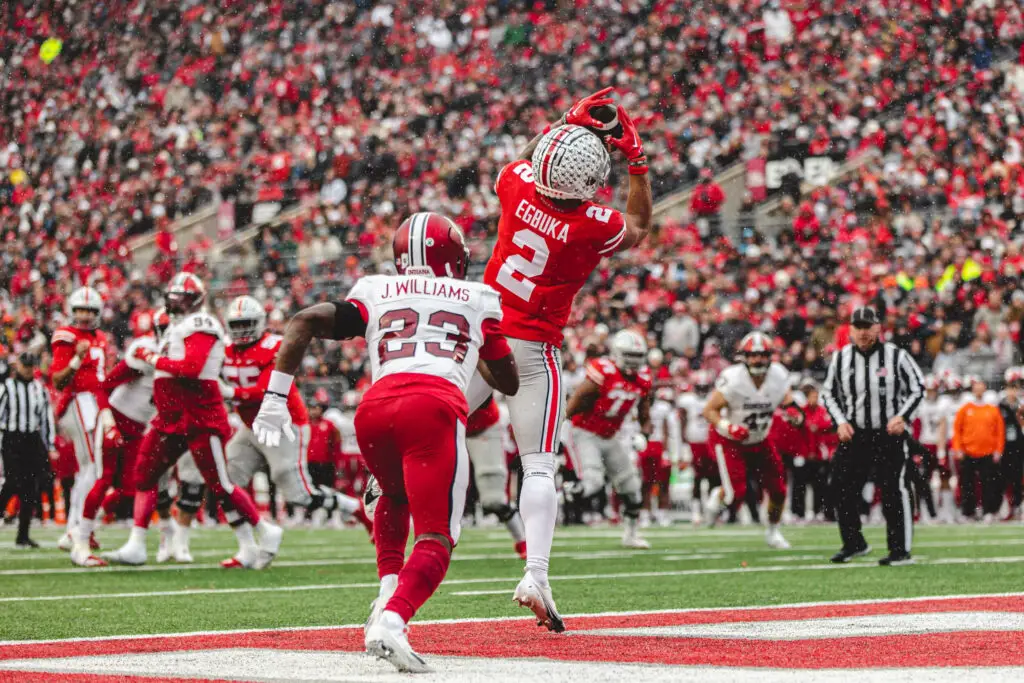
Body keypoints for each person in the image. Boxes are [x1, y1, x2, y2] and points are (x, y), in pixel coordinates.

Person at [250, 212, 519, 672]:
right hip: (432, 407)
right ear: (454, 255)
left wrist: (275, 396)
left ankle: (385, 593)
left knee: (393, 497)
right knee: (437, 535)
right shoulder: (478, 296)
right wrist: (474, 346)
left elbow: (302, 321)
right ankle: (393, 622)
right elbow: (508, 381)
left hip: (374, 409)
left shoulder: (376, 289)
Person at [465, 88, 652, 629]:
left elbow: (522, 161)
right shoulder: (592, 224)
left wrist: (563, 121)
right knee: (538, 464)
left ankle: (389, 475)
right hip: (529, 348)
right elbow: (638, 226)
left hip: (481, 331)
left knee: (440, 418)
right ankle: (537, 574)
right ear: (592, 181)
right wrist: (635, 160)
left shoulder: (517, 185)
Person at [104, 273, 280, 569]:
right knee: (145, 474)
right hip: (171, 415)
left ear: (195, 300)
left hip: (198, 413)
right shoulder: (174, 326)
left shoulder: (202, 323)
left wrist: (152, 359)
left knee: (219, 484)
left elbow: (191, 367)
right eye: (173, 296)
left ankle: (265, 530)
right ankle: (137, 543)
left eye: (182, 297)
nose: (176, 302)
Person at [209, 295, 363, 527]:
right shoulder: (224, 350)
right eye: (237, 325)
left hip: (284, 423)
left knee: (298, 495)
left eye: (246, 324)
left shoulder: (274, 345)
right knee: (226, 480)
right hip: (251, 426)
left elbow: (266, 389)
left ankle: (354, 508)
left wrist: (230, 393)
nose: (241, 330)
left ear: (259, 322)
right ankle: (250, 543)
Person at [822, 306, 925, 566]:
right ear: (850, 330)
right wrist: (840, 421)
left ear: (878, 328)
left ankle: (899, 550)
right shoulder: (841, 358)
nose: (863, 332)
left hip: (888, 434)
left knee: (892, 490)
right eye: (858, 327)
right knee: (841, 488)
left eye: (867, 326)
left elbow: (918, 387)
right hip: (855, 434)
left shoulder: (896, 356)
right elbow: (828, 393)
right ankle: (854, 542)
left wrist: (902, 416)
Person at [71, 309, 170, 567]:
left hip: (138, 428)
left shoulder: (182, 358)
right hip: (115, 419)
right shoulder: (146, 352)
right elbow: (104, 385)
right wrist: (108, 422)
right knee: (104, 479)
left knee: (130, 489)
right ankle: (80, 541)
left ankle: (86, 526)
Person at [701, 331, 794, 549]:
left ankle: (773, 531)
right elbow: (709, 411)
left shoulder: (779, 375)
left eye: (762, 355)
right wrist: (729, 426)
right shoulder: (733, 378)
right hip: (730, 441)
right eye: (752, 355)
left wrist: (794, 412)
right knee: (736, 496)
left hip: (760, 439)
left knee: (779, 491)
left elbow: (787, 401)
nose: (757, 359)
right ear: (744, 357)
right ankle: (719, 495)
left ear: (770, 356)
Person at [565, 330, 654, 549]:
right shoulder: (603, 371)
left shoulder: (643, 379)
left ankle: (631, 535)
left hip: (611, 436)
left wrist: (643, 434)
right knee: (593, 482)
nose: (634, 361)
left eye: (637, 356)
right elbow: (577, 399)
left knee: (632, 487)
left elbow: (645, 414)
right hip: (585, 432)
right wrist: (561, 424)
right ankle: (560, 494)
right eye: (629, 356)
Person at [50, 287, 111, 552]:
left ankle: (78, 527)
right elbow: (58, 380)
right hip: (79, 401)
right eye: (80, 311)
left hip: (95, 403)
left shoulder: (101, 337)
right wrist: (76, 359)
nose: (84, 316)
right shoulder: (67, 336)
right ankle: (77, 528)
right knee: (92, 468)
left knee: (90, 469)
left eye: (89, 311)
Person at [0, 353, 56, 549]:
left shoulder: (39, 390)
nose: (28, 370)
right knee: (13, 482)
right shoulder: (6, 387)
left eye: (31, 366)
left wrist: (49, 445)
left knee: (31, 488)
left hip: (32, 439)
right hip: (12, 437)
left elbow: (45, 418)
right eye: (25, 366)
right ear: (18, 367)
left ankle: (23, 535)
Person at [466, 395, 527, 558]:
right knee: (439, 495)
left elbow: (484, 395)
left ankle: (521, 539)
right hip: (444, 425)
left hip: (481, 426)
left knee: (494, 500)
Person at [951, 377, 1004, 523]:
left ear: (984, 389)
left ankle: (988, 511)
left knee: (988, 484)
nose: (979, 390)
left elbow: (999, 431)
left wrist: (998, 450)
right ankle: (968, 512)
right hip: (968, 452)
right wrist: (958, 448)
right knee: (967, 484)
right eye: (976, 387)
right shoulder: (965, 409)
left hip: (987, 452)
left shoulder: (992, 410)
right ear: (973, 389)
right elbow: (957, 430)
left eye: (981, 387)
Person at [677, 370, 716, 524]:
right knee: (698, 478)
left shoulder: (714, 398)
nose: (702, 390)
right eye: (699, 387)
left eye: (704, 387)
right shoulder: (688, 400)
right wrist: (683, 442)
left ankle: (712, 511)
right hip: (695, 441)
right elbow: (682, 420)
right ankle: (696, 512)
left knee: (714, 478)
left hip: (710, 442)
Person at [640, 386, 682, 526]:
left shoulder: (662, 407)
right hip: (644, 445)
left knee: (663, 483)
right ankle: (645, 513)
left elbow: (667, 429)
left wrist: (666, 451)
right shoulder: (638, 405)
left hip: (658, 445)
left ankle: (662, 513)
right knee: (645, 483)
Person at [305, 389, 342, 525]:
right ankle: (310, 516)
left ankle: (331, 516)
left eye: (316, 408)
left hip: (326, 463)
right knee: (312, 491)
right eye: (311, 408)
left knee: (328, 490)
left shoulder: (329, 425)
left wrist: (336, 462)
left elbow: (336, 444)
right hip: (310, 463)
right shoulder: (305, 424)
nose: (313, 411)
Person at [998, 370, 1023, 521]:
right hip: (1005, 446)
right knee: (1004, 477)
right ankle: (1007, 506)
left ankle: (1018, 506)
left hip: (1020, 445)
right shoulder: (1001, 406)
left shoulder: (1020, 406)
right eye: (1010, 387)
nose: (1012, 391)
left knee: (1018, 477)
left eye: (1015, 387)